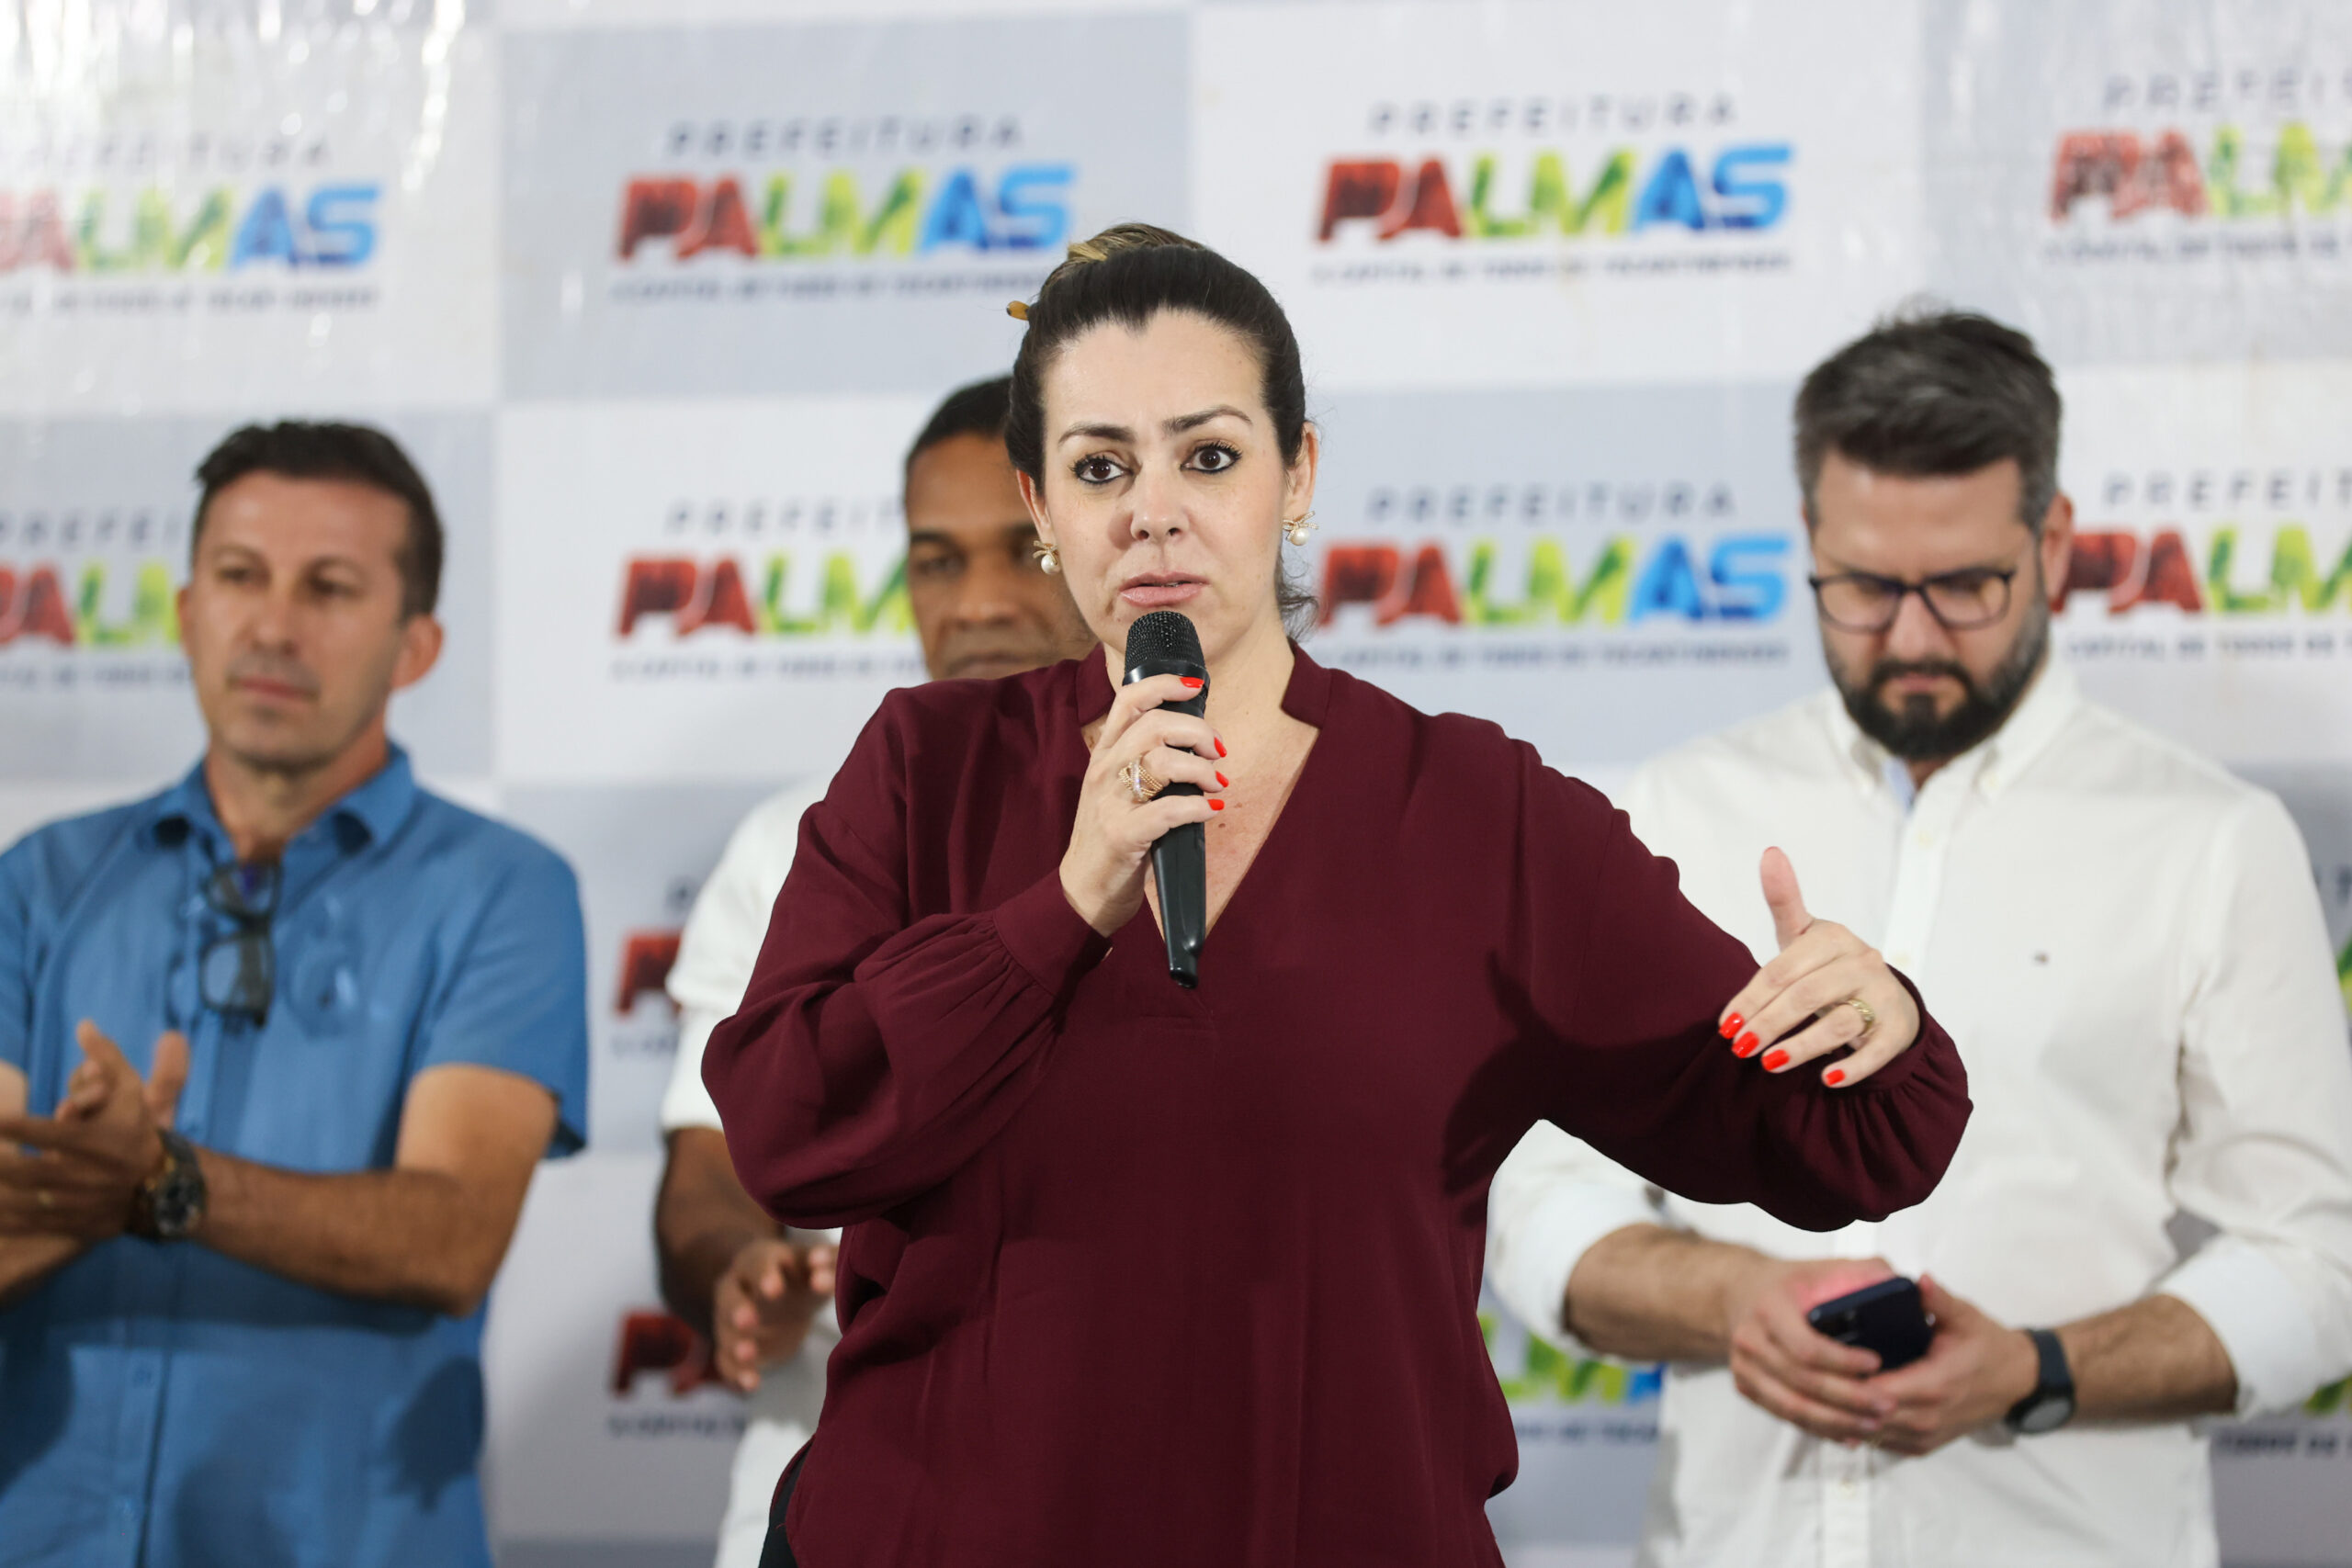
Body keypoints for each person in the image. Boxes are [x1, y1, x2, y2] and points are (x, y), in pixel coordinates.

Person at [699, 224, 1973, 1568]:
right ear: (1041, 503)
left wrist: (1872, 1023)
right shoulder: (928, 768)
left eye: (1208, 456)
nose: (1152, 512)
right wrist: (1061, 906)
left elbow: (1835, 1141)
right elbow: (788, 1129)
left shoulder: (1478, 814)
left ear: (1296, 472)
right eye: (1099, 467)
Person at [1487, 310, 2352, 1568]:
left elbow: (2320, 1262)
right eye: (1862, 587)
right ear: (1809, 540)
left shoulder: (2210, 840)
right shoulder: (1677, 810)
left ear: (2052, 543)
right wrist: (1736, 1300)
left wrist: (2037, 1370)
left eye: (1962, 586)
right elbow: (1537, 1198)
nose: (1908, 636)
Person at [0, 423, 589, 1568]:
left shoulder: (503, 889)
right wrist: (104, 1181)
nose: (272, 627)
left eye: (328, 587)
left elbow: (452, 1236)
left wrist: (159, 1178)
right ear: (185, 611)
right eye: (239, 576)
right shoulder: (38, 883)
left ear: (416, 646)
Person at [651, 375, 1095, 1568]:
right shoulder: (795, 840)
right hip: (836, 1486)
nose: (979, 603)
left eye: (1025, 552)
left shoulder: (1225, 823)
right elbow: (706, 1175)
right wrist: (740, 1267)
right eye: (937, 561)